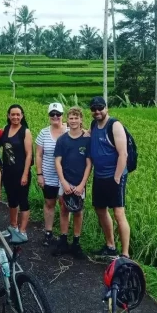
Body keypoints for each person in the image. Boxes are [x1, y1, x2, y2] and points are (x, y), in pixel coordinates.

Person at [89, 96, 130, 258]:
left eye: (100, 108)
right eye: (93, 109)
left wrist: (117, 177)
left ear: (107, 108)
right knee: (100, 209)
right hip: (99, 175)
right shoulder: (94, 125)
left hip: (114, 176)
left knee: (119, 213)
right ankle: (110, 245)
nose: (97, 111)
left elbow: (123, 153)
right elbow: (87, 136)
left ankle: (125, 254)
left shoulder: (115, 125)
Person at [52, 106, 92, 259]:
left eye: (76, 118)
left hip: (80, 182)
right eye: (71, 118)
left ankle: (76, 242)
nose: (73, 121)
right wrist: (64, 182)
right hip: (65, 181)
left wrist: (82, 184)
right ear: (67, 120)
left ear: (81, 120)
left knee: (78, 211)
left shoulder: (86, 139)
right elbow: (58, 162)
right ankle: (63, 240)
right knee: (63, 209)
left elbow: (89, 164)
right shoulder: (63, 139)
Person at [35, 102, 68, 246]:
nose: (55, 117)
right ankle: (48, 232)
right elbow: (39, 155)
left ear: (62, 115)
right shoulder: (44, 132)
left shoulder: (69, 131)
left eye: (58, 114)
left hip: (66, 176)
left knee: (64, 204)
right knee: (49, 203)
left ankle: (63, 236)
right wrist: (39, 174)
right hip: (48, 174)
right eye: (52, 114)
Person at [0, 104, 33, 241]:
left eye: (18, 114)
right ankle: (13, 226)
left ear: (22, 116)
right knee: (11, 200)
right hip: (7, 172)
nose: (15, 117)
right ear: (8, 116)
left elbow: (29, 154)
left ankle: (22, 231)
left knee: (23, 201)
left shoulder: (25, 131)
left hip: (21, 172)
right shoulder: (5, 129)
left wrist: (25, 174)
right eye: (12, 114)